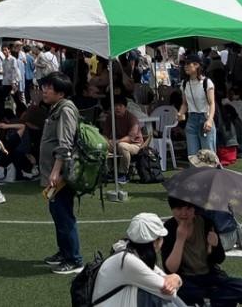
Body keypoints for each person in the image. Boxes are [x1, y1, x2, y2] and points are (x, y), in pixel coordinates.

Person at [161, 197, 242, 307]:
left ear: (194, 209)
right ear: (172, 209)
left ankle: (205, 302)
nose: (184, 213)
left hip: (209, 276)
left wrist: (215, 245)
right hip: (185, 280)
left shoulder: (206, 223)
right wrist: (180, 240)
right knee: (177, 293)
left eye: (188, 208)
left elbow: (219, 259)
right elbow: (170, 269)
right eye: (179, 208)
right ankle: (213, 301)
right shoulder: (169, 228)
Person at [90, 213, 186, 306]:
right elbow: (169, 292)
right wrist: (176, 278)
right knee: (154, 297)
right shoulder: (129, 262)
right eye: (161, 238)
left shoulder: (129, 252)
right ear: (154, 242)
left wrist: (175, 279)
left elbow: (165, 280)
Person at [39, 70, 82, 274]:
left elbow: (64, 145)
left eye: (50, 87)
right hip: (56, 173)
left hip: (62, 174)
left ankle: (74, 259)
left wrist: (55, 172)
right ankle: (64, 252)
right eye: (45, 86)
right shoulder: (57, 108)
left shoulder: (65, 110)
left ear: (61, 93)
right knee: (58, 213)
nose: (44, 90)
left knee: (64, 214)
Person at [177, 54, 216, 157]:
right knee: (193, 156)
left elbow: (212, 103)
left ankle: (211, 173)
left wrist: (209, 120)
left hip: (205, 118)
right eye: (184, 64)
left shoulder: (207, 82)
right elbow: (185, 104)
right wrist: (180, 113)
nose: (185, 66)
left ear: (197, 65)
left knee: (208, 156)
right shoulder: (184, 84)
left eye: (188, 64)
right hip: (191, 120)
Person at [102, 96, 145, 184]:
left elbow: (131, 138)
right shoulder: (110, 117)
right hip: (117, 142)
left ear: (125, 107)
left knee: (122, 146)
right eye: (115, 106)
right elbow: (105, 134)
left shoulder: (132, 118)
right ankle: (108, 171)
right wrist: (106, 141)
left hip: (135, 144)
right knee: (102, 145)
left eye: (120, 106)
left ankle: (123, 174)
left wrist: (117, 142)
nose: (117, 108)